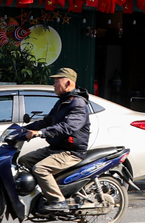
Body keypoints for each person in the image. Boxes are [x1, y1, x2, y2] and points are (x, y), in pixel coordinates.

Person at [19, 68, 91, 213]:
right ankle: (39, 196)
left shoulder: (78, 103)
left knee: (40, 169)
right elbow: (47, 121)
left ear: (68, 83)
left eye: (57, 81)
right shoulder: (62, 102)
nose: (54, 85)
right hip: (56, 148)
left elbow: (68, 127)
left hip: (71, 152)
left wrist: (40, 133)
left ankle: (58, 201)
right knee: (24, 161)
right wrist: (22, 130)